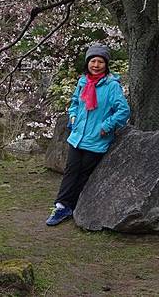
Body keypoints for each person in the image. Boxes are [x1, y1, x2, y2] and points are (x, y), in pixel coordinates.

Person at [46, 43, 130, 226]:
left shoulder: (112, 86)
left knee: (84, 174)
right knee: (71, 171)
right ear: (88, 63)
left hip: (97, 138)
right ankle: (61, 206)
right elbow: (75, 102)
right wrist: (73, 115)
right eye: (93, 61)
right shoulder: (83, 81)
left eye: (100, 61)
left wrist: (107, 126)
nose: (96, 65)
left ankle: (76, 206)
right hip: (78, 137)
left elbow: (123, 110)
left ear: (106, 64)